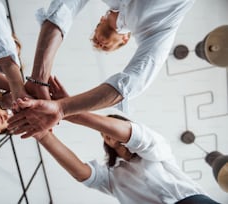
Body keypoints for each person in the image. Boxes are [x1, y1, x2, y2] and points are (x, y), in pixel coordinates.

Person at [12, 0, 195, 136]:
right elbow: (64, 8)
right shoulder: (160, 27)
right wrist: (44, 86)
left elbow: (129, 85)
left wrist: (61, 107)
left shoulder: (158, 30)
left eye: (104, 47)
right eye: (100, 44)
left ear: (125, 39)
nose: (99, 42)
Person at [28, 77, 219, 204]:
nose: (106, 133)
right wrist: (43, 135)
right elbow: (82, 173)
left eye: (108, 127)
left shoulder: (159, 152)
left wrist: (68, 109)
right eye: (103, 133)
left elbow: (136, 136)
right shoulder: (112, 176)